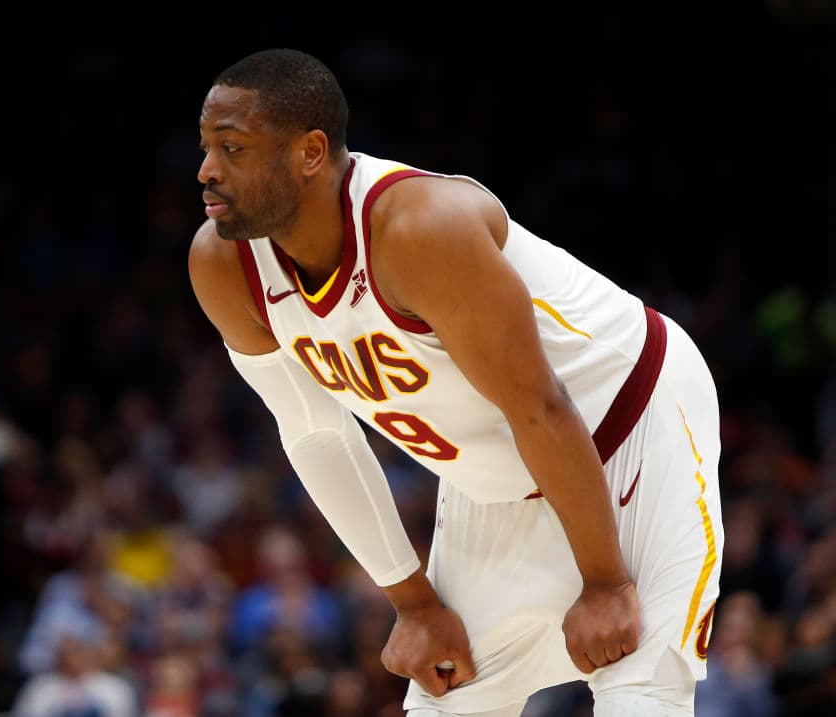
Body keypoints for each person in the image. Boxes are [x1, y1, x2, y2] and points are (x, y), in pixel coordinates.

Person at [187, 48, 724, 717]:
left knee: (638, 696)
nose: (207, 171)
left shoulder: (420, 228)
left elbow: (542, 407)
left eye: (232, 148)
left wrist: (607, 580)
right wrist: (413, 601)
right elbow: (316, 432)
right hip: (492, 477)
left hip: (627, 422)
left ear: (310, 152)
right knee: (446, 703)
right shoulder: (223, 267)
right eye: (207, 146)